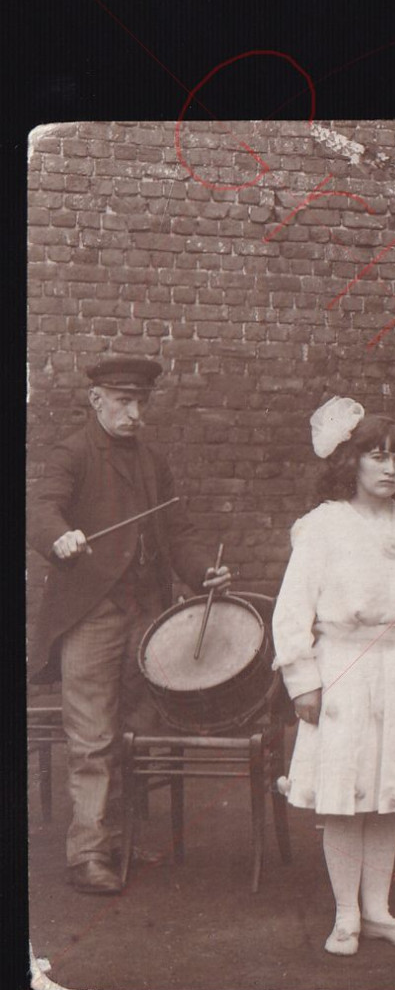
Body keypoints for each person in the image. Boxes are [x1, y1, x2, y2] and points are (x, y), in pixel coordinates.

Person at [27, 357, 232, 896]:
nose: (135, 412)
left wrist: (201, 572)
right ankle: (88, 852)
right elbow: (41, 508)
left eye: (141, 402)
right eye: (123, 401)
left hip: (146, 614)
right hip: (91, 612)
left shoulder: (152, 462)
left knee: (135, 730)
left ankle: (122, 838)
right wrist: (60, 537)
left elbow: (179, 531)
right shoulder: (72, 453)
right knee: (92, 735)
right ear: (96, 400)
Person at [272, 399, 395, 956]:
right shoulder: (324, 526)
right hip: (345, 669)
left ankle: (378, 907)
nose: (389, 469)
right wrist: (303, 679)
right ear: (350, 462)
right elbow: (292, 609)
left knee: (388, 790)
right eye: (376, 457)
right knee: (345, 793)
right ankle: (346, 914)